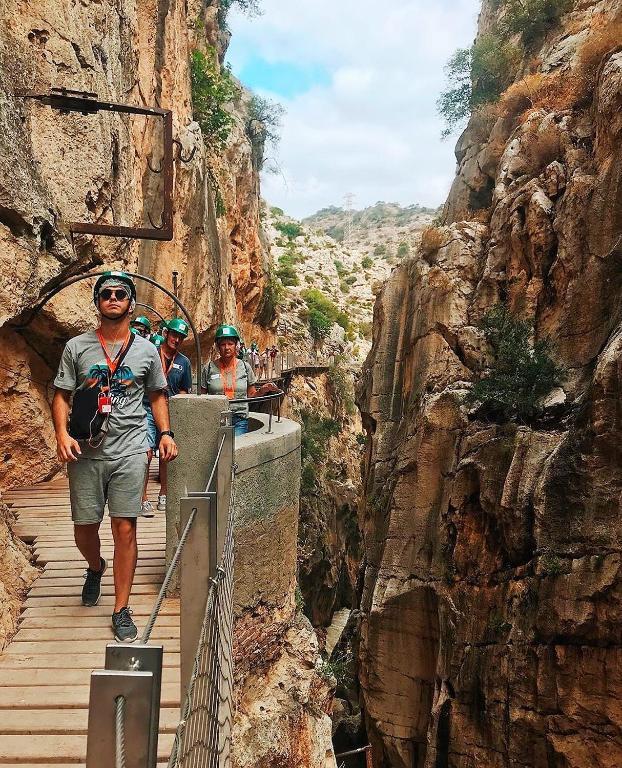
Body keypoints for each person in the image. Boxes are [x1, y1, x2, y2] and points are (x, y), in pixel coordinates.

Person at [52, 271, 178, 643]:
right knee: (84, 528)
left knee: (125, 527)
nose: (112, 298)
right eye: (105, 293)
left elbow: (157, 395)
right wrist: (61, 434)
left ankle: (121, 608)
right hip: (86, 450)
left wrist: (165, 433)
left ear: (130, 302)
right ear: (97, 302)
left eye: (120, 293)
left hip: (131, 449)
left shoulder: (146, 350)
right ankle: (95, 566)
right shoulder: (77, 347)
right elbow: (61, 395)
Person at [201, 324, 278, 436]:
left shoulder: (245, 367)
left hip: (239, 419)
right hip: (216, 418)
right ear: (217, 347)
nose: (227, 347)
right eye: (223, 344)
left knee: (236, 446)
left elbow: (251, 394)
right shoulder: (208, 368)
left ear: (236, 346)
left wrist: (262, 390)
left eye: (230, 344)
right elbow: (202, 398)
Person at [156, 318, 192, 511]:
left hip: (171, 411)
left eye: (180, 337)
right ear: (166, 334)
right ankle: (142, 498)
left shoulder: (184, 362)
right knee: (145, 453)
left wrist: (178, 402)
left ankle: (164, 493)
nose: (176, 339)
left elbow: (185, 388)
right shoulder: (153, 354)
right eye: (174, 335)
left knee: (165, 453)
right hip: (149, 408)